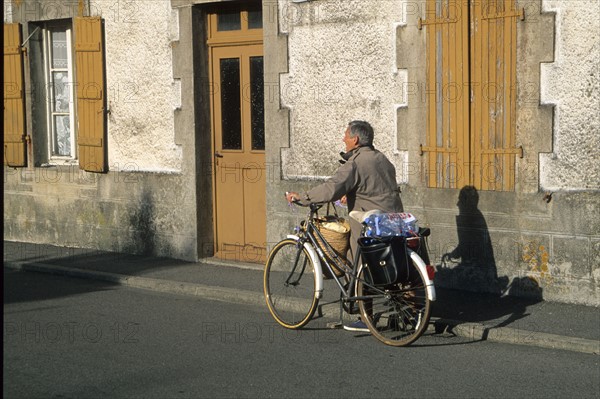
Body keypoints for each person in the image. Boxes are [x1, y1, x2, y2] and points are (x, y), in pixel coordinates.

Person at [285, 120, 403, 332]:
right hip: (392, 220)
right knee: (381, 261)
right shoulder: (382, 159)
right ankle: (397, 310)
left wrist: (303, 198)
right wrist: (352, 195)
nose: (343, 139)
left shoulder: (355, 163)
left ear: (355, 139)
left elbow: (331, 188)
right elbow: (376, 187)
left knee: (359, 264)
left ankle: (366, 318)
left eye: (346, 135)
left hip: (368, 221)